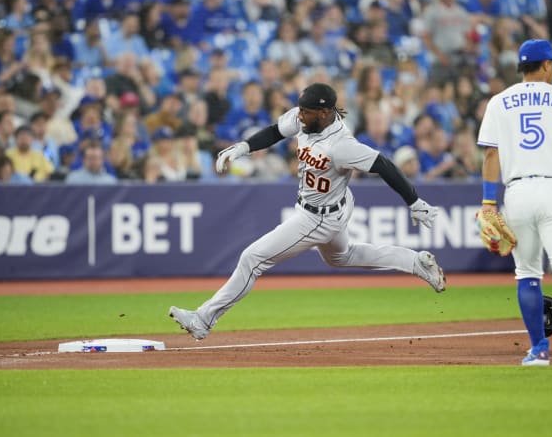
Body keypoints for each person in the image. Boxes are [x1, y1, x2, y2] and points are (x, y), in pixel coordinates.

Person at [169, 83, 446, 340]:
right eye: (300, 109)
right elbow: (276, 131)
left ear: (324, 113)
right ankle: (414, 262)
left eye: (306, 112)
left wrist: (414, 201)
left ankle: (203, 320)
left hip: (318, 216)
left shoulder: (341, 145)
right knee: (342, 256)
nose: (300, 116)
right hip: (332, 206)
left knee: (252, 258)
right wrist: (243, 147)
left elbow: (384, 165)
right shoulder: (305, 121)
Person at [476, 39, 552, 369]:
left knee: (527, 273)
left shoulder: (499, 102)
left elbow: (490, 154)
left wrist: (488, 201)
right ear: (545, 66)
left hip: (517, 193)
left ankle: (538, 350)